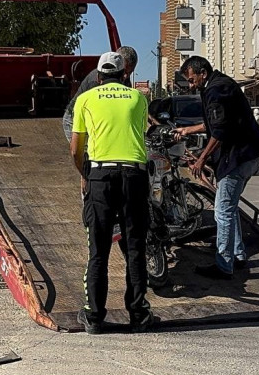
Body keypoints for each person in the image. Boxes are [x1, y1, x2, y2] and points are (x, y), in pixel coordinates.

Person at [70, 51, 153, 334]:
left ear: (99, 76)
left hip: (100, 176)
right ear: (123, 74)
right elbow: (139, 132)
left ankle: (94, 316)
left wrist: (85, 175)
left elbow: (76, 147)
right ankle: (139, 314)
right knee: (135, 247)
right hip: (133, 175)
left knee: (98, 249)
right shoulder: (138, 98)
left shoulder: (86, 99)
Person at [174, 56, 259, 279]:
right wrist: (188, 130)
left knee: (222, 210)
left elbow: (220, 130)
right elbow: (214, 123)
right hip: (251, 153)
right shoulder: (220, 85)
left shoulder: (216, 91)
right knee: (230, 206)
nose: (191, 84)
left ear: (202, 73)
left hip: (239, 156)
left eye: (192, 79)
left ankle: (224, 265)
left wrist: (201, 159)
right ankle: (238, 254)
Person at [63, 46, 138, 141]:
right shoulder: (96, 81)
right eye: (125, 71)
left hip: (97, 116)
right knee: (86, 151)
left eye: (129, 72)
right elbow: (95, 114)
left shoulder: (125, 80)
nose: (126, 76)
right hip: (75, 118)